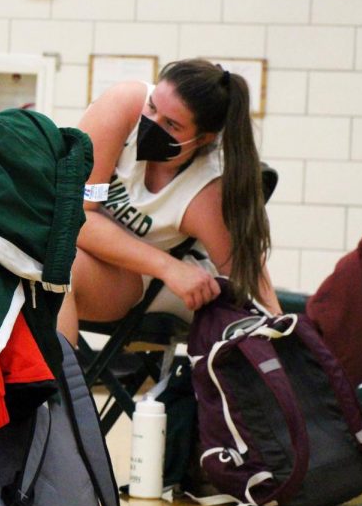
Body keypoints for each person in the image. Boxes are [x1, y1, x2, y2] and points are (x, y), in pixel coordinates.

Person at [57, 59, 281, 346]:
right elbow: (73, 216)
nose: (152, 123)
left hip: (136, 277)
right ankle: (33, 385)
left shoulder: (206, 192)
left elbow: (247, 275)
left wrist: (283, 337)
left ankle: (59, 387)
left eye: (172, 124)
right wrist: (167, 266)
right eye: (152, 107)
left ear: (203, 139)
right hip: (120, 257)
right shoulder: (123, 106)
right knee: (28, 259)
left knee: (55, 270)